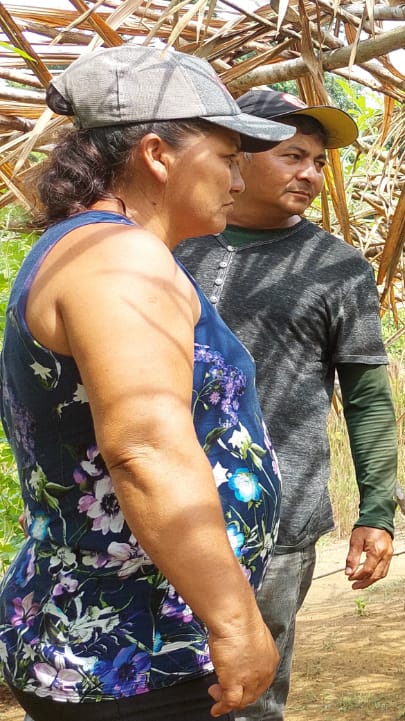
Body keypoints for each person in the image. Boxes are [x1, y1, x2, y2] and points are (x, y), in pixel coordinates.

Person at [0, 46, 294, 720]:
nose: (238, 177)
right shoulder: (120, 259)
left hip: (112, 637)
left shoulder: (88, 249)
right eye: (226, 156)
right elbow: (146, 449)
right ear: (159, 154)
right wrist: (235, 620)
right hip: (133, 654)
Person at [172, 88, 397, 721]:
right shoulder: (171, 244)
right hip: (162, 511)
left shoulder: (337, 268)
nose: (311, 174)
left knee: (248, 696)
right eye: (294, 155)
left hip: (276, 524)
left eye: (320, 162)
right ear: (237, 157)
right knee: (159, 690)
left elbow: (367, 396)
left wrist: (376, 510)